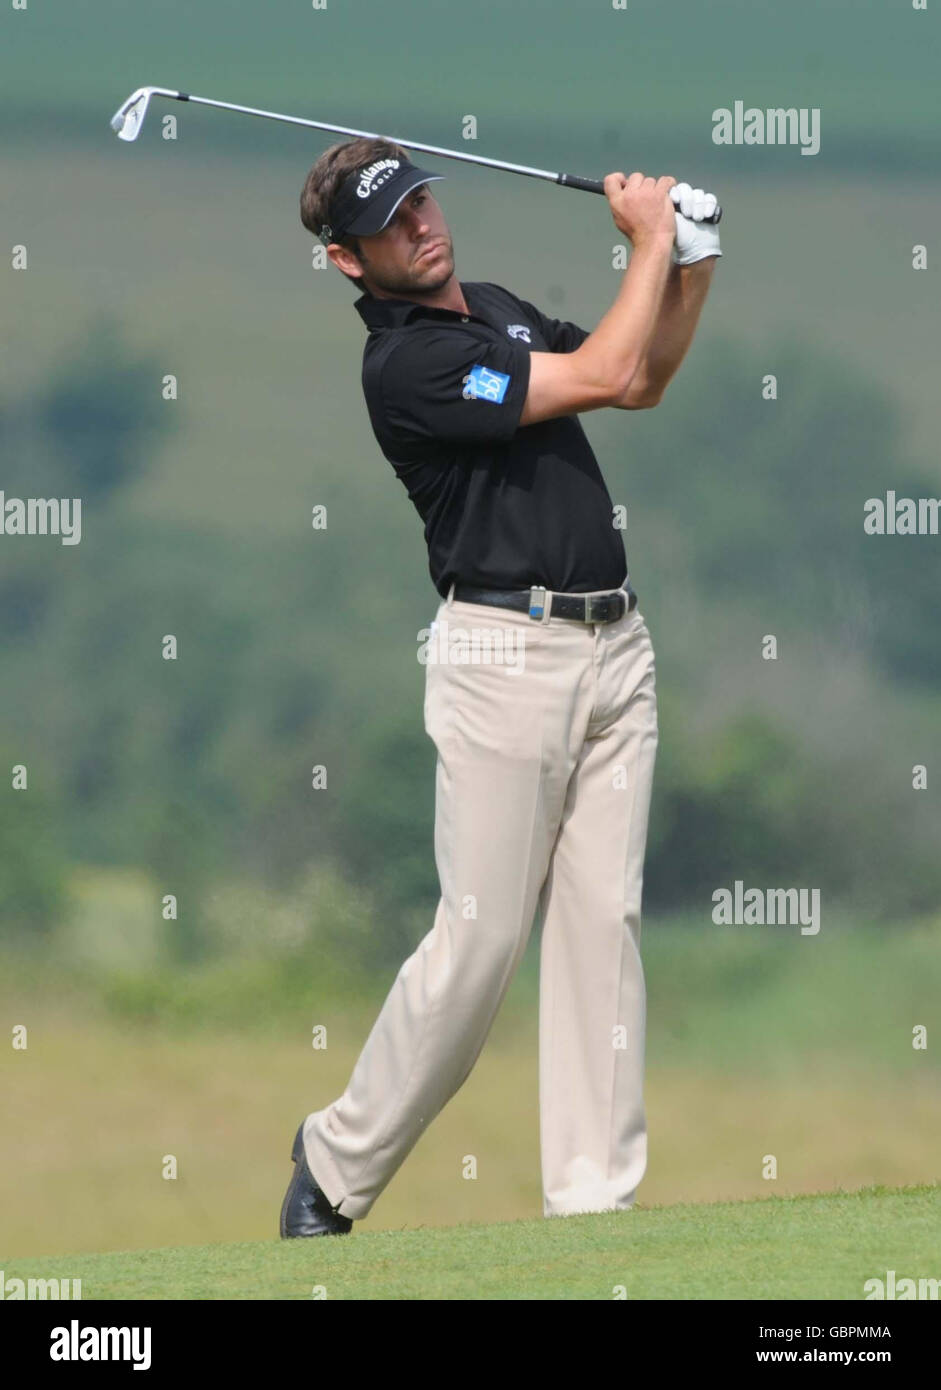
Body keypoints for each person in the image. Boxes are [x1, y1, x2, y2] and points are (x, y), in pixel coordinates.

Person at [280, 139, 720, 1236]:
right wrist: (647, 240)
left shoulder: (497, 308)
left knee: (598, 927)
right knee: (478, 945)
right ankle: (334, 1166)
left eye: (420, 200)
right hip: (502, 658)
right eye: (391, 223)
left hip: (616, 647)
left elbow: (646, 378)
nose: (421, 224)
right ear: (348, 261)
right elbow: (606, 374)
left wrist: (689, 262)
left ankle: (592, 1203)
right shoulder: (406, 369)